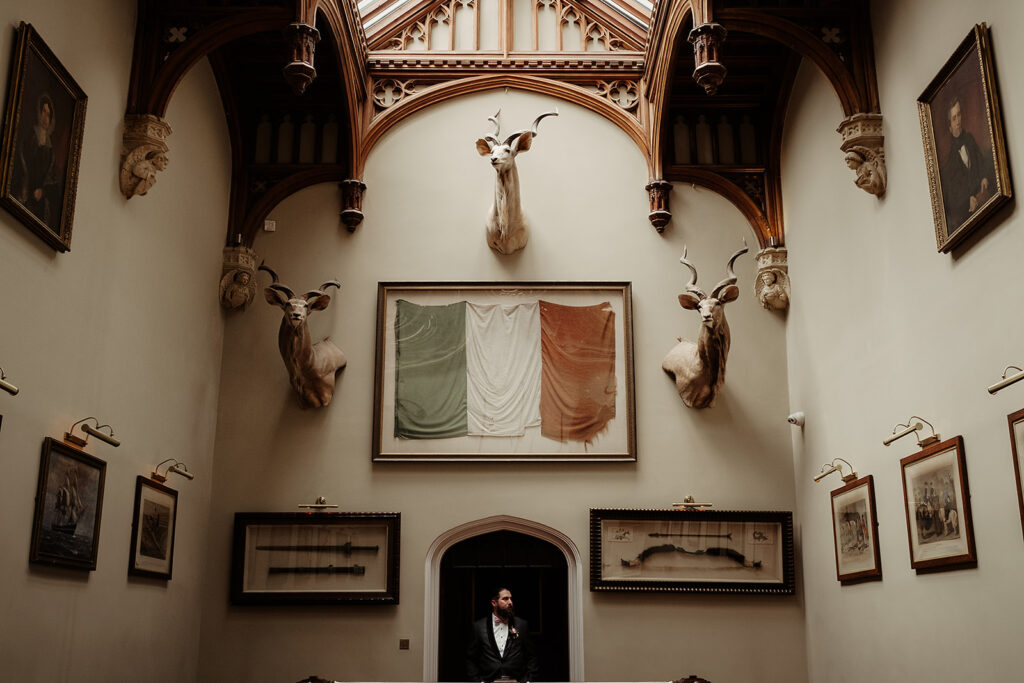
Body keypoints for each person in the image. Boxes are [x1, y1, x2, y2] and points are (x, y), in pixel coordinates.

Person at [939, 96, 993, 230]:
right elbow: (953, 196)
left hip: (983, 196)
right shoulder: (950, 161)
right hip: (968, 213)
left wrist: (984, 177)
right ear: (949, 126)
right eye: (954, 118)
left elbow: (981, 162)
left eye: (959, 115)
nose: (958, 121)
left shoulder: (969, 139)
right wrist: (968, 199)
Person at [466, 587, 538, 683]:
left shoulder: (522, 625)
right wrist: (479, 682)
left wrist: (528, 681)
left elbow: (532, 656)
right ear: (494, 603)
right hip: (489, 680)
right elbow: (471, 659)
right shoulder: (478, 627)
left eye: (511, 599)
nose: (510, 602)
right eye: (505, 599)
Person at [14, 93, 61, 229]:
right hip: (26, 192)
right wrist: (30, 188)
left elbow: (51, 177)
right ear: (39, 113)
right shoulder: (30, 136)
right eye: (44, 112)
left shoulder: (50, 148)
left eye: (49, 114)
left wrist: (43, 190)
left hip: (41, 198)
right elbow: (25, 163)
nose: (46, 118)